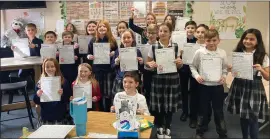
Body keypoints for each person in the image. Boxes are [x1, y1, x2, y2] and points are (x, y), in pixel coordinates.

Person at [225, 28, 269, 139]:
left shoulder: (263, 56)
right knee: (243, 116)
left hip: (254, 87)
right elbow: (235, 72)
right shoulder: (239, 52)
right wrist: (231, 69)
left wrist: (261, 69)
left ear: (257, 41)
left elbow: (268, 77)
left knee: (253, 117)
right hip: (239, 85)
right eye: (246, 38)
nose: (248, 41)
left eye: (252, 39)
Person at [147, 23, 183, 138]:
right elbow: (148, 63)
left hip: (172, 79)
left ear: (170, 33)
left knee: (170, 104)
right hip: (158, 79)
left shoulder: (176, 46)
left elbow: (179, 66)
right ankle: (160, 127)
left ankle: (168, 126)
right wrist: (150, 64)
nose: (163, 33)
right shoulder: (153, 46)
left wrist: (180, 64)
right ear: (158, 33)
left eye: (165, 31)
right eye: (161, 31)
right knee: (160, 103)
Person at [190, 29, 228, 139]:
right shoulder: (199, 52)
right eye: (208, 40)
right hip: (203, 86)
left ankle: (222, 133)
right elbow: (192, 66)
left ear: (219, 40)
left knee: (218, 111)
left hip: (217, 87)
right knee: (202, 110)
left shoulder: (222, 53)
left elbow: (224, 68)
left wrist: (224, 77)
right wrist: (197, 76)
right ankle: (199, 132)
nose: (211, 43)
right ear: (204, 41)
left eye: (214, 40)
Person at [86, 19, 118, 112]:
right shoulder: (93, 40)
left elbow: (117, 53)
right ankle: (99, 112)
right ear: (97, 28)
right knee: (98, 93)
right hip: (97, 70)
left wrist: (113, 53)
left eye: (104, 26)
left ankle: (108, 112)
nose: (102, 28)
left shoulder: (112, 40)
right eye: (100, 26)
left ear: (107, 28)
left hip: (109, 70)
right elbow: (88, 53)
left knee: (108, 94)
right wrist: (89, 56)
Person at [33, 58, 72, 126]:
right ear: (44, 68)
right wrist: (38, 95)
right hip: (46, 115)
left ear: (56, 67)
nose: (50, 69)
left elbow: (68, 99)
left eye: (52, 66)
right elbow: (36, 101)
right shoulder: (40, 83)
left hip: (60, 115)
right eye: (47, 67)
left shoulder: (63, 82)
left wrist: (62, 95)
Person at [188, 24, 212, 129]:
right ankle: (193, 119)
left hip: (208, 77)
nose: (200, 34)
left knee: (206, 100)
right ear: (195, 33)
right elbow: (189, 62)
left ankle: (205, 121)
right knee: (194, 99)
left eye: (203, 32)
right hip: (195, 76)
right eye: (198, 32)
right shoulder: (190, 46)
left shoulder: (211, 46)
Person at [111, 29, 144, 96]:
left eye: (129, 37)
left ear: (133, 39)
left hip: (133, 81)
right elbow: (112, 67)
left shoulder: (137, 51)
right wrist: (116, 63)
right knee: (120, 102)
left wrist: (141, 63)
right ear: (121, 39)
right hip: (120, 80)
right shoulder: (117, 51)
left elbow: (141, 69)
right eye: (124, 38)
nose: (126, 39)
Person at [179, 20, 197, 122]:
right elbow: (176, 55)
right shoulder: (181, 41)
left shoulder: (198, 41)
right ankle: (185, 112)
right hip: (183, 69)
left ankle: (193, 114)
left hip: (195, 69)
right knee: (184, 91)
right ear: (185, 30)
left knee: (194, 92)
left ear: (195, 29)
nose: (190, 29)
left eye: (192, 28)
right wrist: (179, 53)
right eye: (188, 28)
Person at [142, 24, 158, 106]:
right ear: (146, 33)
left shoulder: (159, 46)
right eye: (149, 33)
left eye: (153, 33)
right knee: (148, 93)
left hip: (157, 74)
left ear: (157, 34)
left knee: (157, 93)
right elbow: (143, 62)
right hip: (147, 73)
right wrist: (145, 63)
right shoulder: (143, 47)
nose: (151, 35)